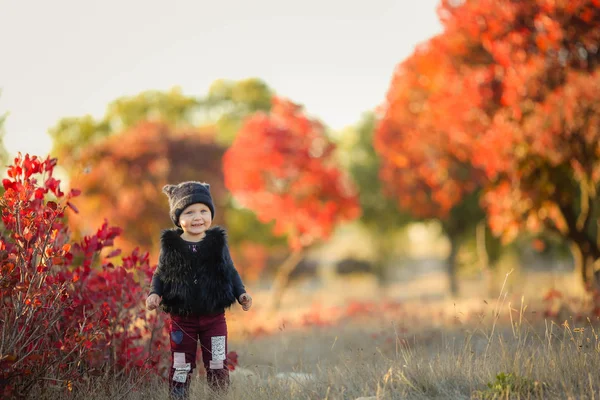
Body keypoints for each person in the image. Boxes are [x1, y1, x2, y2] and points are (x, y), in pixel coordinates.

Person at [145, 181, 252, 399]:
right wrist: (154, 294)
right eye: (189, 212)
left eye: (204, 210)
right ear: (177, 217)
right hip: (182, 320)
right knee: (181, 363)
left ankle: (219, 395)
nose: (198, 217)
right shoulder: (172, 245)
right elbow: (160, 273)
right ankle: (178, 395)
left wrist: (241, 294)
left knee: (217, 361)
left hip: (214, 318)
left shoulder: (217, 243)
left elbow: (230, 271)